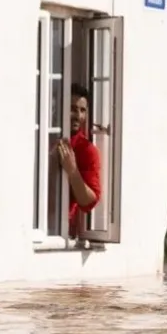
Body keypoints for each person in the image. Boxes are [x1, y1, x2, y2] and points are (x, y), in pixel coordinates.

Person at [56, 84, 101, 237]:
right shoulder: (44, 137)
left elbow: (88, 202)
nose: (78, 115)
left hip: (63, 234)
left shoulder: (87, 150)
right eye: (73, 108)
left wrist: (72, 171)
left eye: (82, 110)